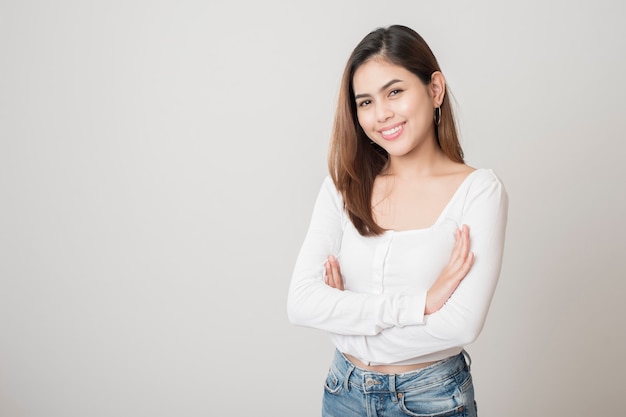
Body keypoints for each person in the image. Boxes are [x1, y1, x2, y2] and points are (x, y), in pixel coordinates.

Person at [287, 25, 508, 417]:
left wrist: (345, 323)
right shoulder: (342, 188)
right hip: (343, 393)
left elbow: (460, 326)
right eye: (366, 102)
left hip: (431, 398)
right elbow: (301, 303)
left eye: (395, 92)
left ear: (434, 89)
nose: (381, 113)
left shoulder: (478, 191)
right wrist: (420, 304)